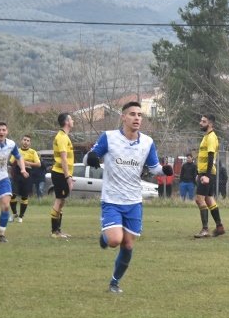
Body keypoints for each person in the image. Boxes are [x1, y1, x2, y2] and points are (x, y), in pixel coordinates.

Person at [85, 101, 165, 294]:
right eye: (132, 114)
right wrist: (93, 157)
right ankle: (105, 238)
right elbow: (89, 157)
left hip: (134, 201)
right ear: (123, 117)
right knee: (114, 240)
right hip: (112, 199)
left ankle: (114, 282)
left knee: (127, 244)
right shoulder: (109, 138)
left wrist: (165, 170)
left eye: (139, 114)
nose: (137, 118)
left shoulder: (147, 142)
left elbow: (155, 168)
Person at [194, 114, 226, 238]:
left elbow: (211, 156)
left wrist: (206, 175)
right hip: (204, 173)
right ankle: (219, 227)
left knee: (199, 200)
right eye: (201, 120)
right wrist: (198, 173)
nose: (200, 123)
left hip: (207, 174)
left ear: (210, 124)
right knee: (208, 199)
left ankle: (205, 229)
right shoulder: (206, 136)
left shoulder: (211, 137)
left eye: (203, 121)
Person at [50, 112, 75, 239]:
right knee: (59, 201)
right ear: (66, 122)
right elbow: (64, 159)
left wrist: (69, 175)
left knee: (61, 201)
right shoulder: (62, 137)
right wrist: (67, 177)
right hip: (60, 174)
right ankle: (55, 232)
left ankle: (58, 231)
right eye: (71, 119)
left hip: (62, 174)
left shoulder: (64, 136)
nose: (73, 121)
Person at [8, 134, 40, 223]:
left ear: (30, 143)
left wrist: (26, 163)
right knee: (12, 195)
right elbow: (10, 162)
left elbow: (38, 164)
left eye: (28, 140)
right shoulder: (16, 151)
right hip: (17, 175)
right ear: (21, 141)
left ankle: (21, 216)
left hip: (27, 175)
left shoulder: (33, 152)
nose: (26, 142)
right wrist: (17, 162)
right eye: (24, 140)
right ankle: (14, 213)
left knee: (24, 197)